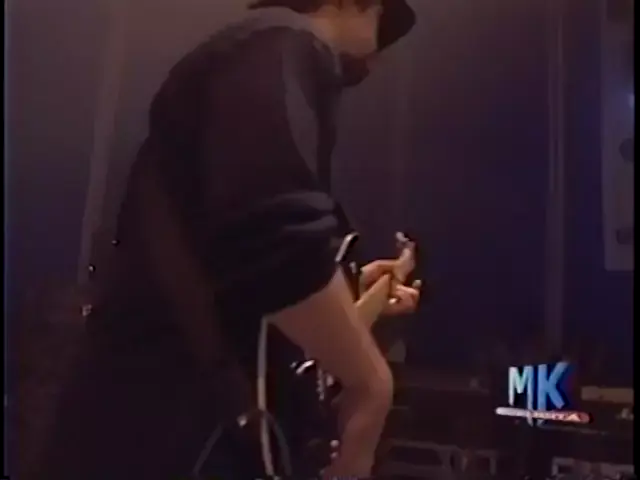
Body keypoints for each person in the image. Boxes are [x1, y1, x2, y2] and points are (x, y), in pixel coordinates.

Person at [38, 0, 418, 478]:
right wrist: (372, 384)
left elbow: (267, 314)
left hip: (159, 432)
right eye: (382, 24)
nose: (379, 58)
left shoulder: (258, 54)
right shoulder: (282, 39)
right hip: (165, 434)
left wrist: (357, 298)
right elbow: (277, 244)